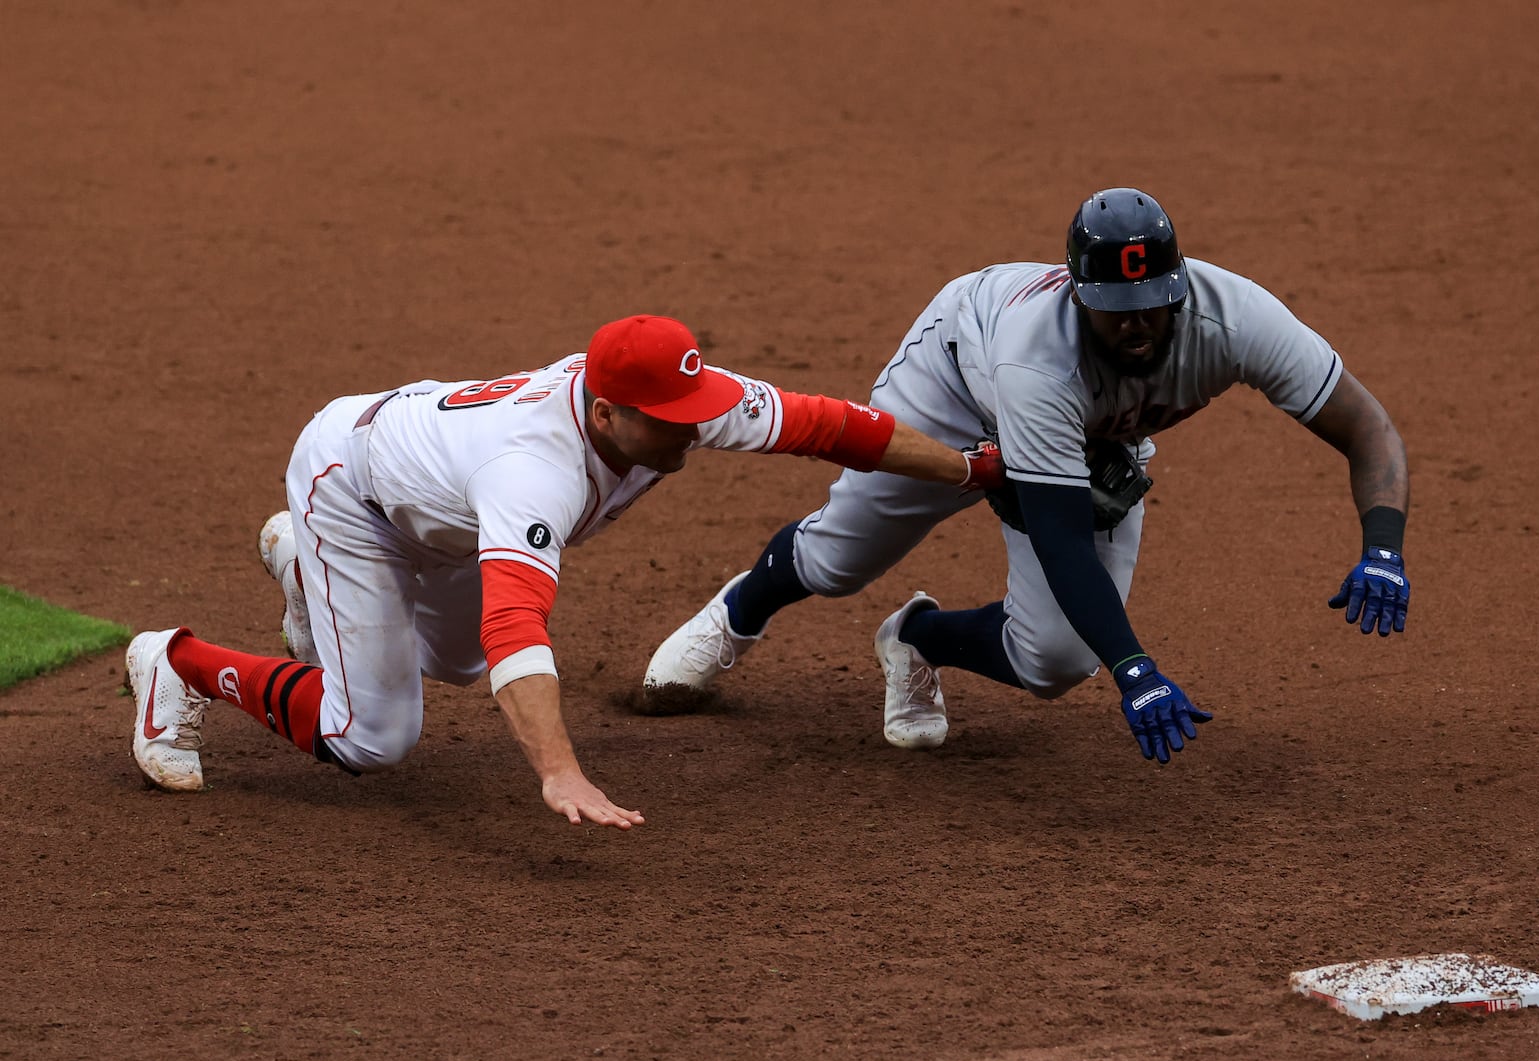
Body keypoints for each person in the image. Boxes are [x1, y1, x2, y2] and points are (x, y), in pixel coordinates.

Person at [126, 314, 1005, 827]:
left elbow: (838, 427)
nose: (691, 431)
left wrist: (972, 468)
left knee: (460, 660)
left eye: (695, 409)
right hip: (351, 491)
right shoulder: (533, 472)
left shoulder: (676, 402)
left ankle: (304, 574)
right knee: (374, 736)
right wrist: (558, 769)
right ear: (607, 409)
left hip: (436, 498)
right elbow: (516, 624)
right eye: (669, 421)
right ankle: (175, 661)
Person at [643, 188, 1411, 764]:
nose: (1138, 324)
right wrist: (1137, 668)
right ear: (1078, 292)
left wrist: (1383, 545)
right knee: (842, 558)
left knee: (1058, 661)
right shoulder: (1036, 356)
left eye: (1153, 304)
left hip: (1085, 433)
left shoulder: (1237, 318)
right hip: (954, 384)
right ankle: (738, 612)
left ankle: (917, 637)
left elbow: (1366, 425)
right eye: (1117, 309)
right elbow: (1057, 533)